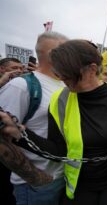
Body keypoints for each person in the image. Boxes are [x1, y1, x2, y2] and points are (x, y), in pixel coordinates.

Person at [0, 40, 107, 204]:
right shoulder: (59, 100)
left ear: (92, 69)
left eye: (68, 74)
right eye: (59, 73)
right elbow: (58, 150)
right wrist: (21, 135)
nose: (63, 79)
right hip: (82, 182)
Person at [0, 32, 68, 205]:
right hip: (36, 187)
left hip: (65, 177)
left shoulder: (66, 85)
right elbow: (3, 139)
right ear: (55, 54)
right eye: (69, 50)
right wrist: (37, 178)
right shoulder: (21, 86)